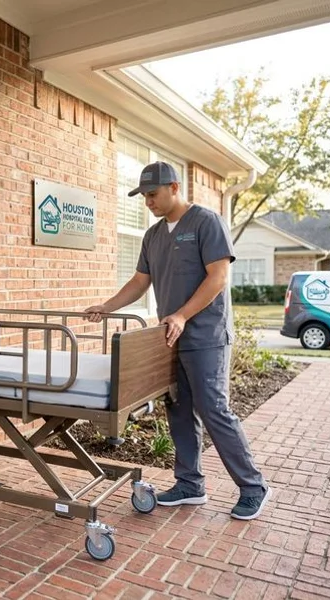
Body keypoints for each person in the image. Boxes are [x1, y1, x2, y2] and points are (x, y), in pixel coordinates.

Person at [84, 161, 271, 520]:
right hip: (170, 337)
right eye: (143, 197)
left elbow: (218, 278)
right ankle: (190, 484)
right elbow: (141, 281)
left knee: (213, 409)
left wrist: (183, 315)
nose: (147, 202)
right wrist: (107, 306)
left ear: (173, 187)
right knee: (179, 409)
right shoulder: (153, 236)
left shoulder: (206, 222)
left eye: (152, 194)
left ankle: (253, 487)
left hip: (206, 336)